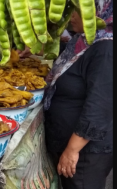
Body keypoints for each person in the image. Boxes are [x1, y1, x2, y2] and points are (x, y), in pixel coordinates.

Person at [43, 0, 113, 188]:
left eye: (79, 11)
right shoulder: (85, 41)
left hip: (86, 155)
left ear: (98, 13)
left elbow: (100, 106)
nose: (71, 16)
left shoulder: (106, 48)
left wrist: (72, 151)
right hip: (73, 147)